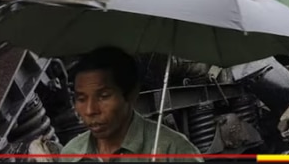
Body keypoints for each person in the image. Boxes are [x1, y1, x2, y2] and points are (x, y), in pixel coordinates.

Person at [59, 46, 203, 162]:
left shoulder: (174, 152)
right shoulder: (71, 155)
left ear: (131, 95)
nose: (90, 110)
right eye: (82, 99)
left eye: (103, 97)